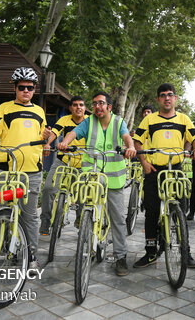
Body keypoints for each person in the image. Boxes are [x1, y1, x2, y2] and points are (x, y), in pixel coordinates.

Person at [58, 91, 136, 276]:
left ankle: (120, 257)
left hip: (113, 180)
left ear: (109, 106)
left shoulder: (118, 122)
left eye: (101, 103)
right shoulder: (88, 121)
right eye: (94, 104)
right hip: (91, 177)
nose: (97, 107)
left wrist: (131, 147)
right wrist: (64, 143)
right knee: (87, 211)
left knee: (117, 219)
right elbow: (73, 133)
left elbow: (126, 137)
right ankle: (86, 244)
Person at [0, 67, 46, 269]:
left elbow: (42, 137)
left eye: (30, 88)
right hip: (6, 172)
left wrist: (48, 139)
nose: (26, 91)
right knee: (1, 213)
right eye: (22, 87)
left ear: (34, 89)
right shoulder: (4, 108)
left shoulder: (39, 111)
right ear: (15, 88)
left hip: (32, 172)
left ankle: (31, 256)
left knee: (30, 216)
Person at [132, 83, 195, 269]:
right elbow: (137, 141)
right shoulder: (149, 120)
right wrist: (144, 163)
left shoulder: (184, 119)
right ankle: (150, 253)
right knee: (152, 212)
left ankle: (185, 252)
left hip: (176, 170)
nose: (167, 98)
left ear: (175, 98)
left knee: (180, 209)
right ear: (158, 99)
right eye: (163, 95)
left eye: (170, 94)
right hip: (154, 170)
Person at [39, 96, 88, 235]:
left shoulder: (90, 121)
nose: (78, 107)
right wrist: (48, 144)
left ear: (84, 108)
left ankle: (81, 221)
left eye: (81, 105)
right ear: (71, 108)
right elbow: (54, 133)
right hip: (63, 161)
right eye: (75, 105)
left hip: (82, 164)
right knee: (49, 188)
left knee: (82, 196)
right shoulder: (64, 120)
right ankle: (46, 221)